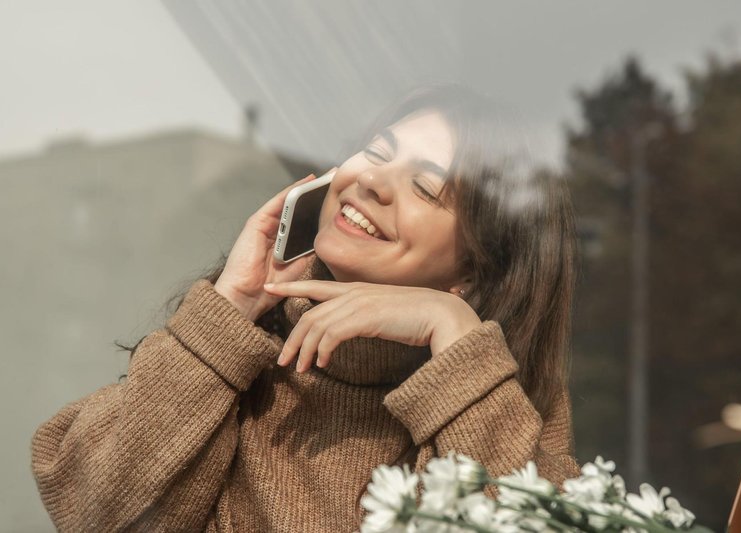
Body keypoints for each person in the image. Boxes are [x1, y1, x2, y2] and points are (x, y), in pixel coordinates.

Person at [31, 84, 581, 532]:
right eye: (377, 154)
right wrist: (229, 311)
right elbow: (90, 513)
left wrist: (454, 338)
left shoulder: (500, 400)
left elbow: (532, 518)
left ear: (473, 270)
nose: (370, 182)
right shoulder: (240, 356)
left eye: (424, 188)